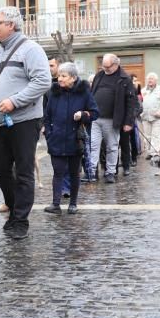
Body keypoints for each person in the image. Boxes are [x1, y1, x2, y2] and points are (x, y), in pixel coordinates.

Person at [0, 6, 51, 240]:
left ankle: (20, 220)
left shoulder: (30, 49)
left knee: (24, 171)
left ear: (11, 25)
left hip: (24, 120)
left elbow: (43, 81)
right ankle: (15, 209)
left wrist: (14, 101)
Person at [43, 62, 98, 213]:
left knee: (74, 173)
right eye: (59, 75)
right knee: (58, 172)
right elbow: (47, 116)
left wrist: (83, 114)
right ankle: (55, 204)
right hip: (57, 139)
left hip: (75, 140)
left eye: (63, 76)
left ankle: (73, 204)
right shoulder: (53, 92)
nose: (59, 78)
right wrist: (49, 133)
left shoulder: (84, 92)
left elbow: (95, 113)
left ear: (73, 78)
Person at [88, 54, 137, 183]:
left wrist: (128, 122)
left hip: (112, 119)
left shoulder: (124, 79)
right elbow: (92, 93)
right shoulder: (100, 75)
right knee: (93, 146)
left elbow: (131, 102)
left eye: (108, 67)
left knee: (112, 146)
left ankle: (110, 172)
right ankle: (91, 171)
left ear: (116, 64)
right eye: (103, 66)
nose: (105, 69)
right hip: (96, 118)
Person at [140, 72, 160, 160]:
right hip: (145, 117)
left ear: (156, 80)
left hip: (157, 117)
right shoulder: (143, 91)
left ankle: (155, 153)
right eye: (148, 79)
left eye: (152, 78)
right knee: (147, 136)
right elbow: (139, 102)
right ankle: (150, 152)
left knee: (156, 135)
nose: (150, 80)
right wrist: (140, 113)